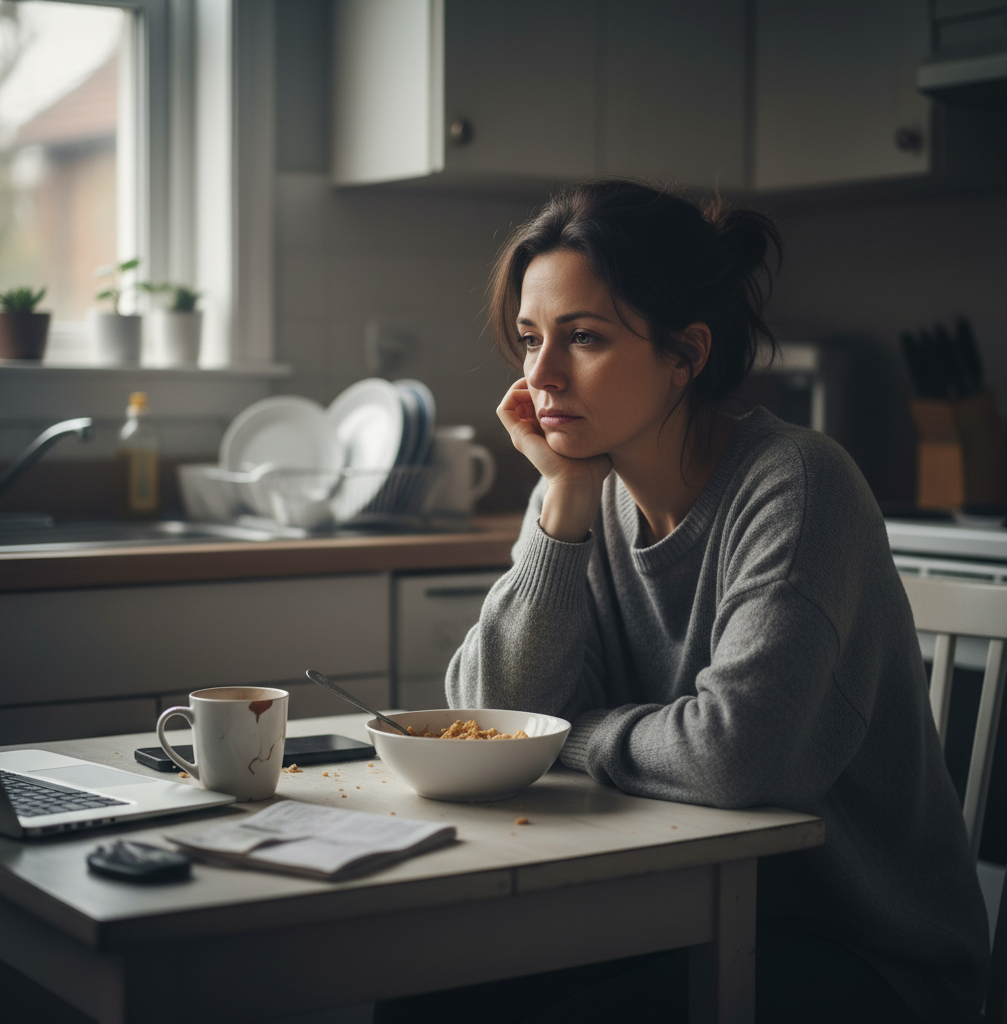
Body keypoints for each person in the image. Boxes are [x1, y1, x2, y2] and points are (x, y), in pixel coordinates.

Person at [374, 181, 989, 1024]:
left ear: (686, 354)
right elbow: (486, 718)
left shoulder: (799, 486)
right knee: (423, 997)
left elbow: (737, 756)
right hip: (665, 906)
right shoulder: (580, 491)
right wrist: (559, 505)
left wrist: (567, 734)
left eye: (583, 337)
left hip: (860, 949)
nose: (540, 375)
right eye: (528, 339)